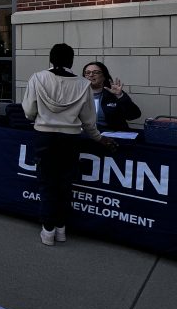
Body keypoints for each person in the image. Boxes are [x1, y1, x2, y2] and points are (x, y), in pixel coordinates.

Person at [22, 43, 115, 247]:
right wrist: (99, 138)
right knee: (65, 184)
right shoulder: (83, 85)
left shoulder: (38, 78)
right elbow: (89, 121)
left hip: (44, 137)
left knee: (47, 184)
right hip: (70, 139)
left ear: (51, 59)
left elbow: (28, 112)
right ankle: (61, 229)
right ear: (72, 61)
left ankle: (48, 231)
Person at [82, 61, 141, 131]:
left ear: (104, 76)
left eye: (96, 72)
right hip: (86, 135)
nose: (91, 75)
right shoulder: (78, 94)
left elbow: (134, 115)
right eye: (87, 73)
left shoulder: (113, 94)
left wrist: (120, 96)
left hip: (112, 135)